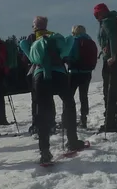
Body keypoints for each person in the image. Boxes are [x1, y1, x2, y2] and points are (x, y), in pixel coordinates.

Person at [20, 16, 85, 165]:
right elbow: (67, 50)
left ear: (34, 26)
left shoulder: (34, 41)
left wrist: (24, 45)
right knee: (69, 104)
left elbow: (30, 57)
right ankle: (72, 140)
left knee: (43, 111)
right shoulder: (56, 37)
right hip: (60, 75)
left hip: (40, 76)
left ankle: (45, 152)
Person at [93, 3, 117, 133]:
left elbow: (113, 38)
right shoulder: (114, 20)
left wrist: (112, 56)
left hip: (111, 61)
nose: (96, 17)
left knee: (109, 92)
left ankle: (110, 123)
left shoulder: (107, 22)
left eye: (97, 14)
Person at [66, 24, 98, 129]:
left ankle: (70, 119)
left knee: (69, 96)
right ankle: (83, 119)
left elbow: (70, 56)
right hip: (87, 73)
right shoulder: (90, 41)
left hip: (74, 72)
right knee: (83, 96)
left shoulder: (74, 41)